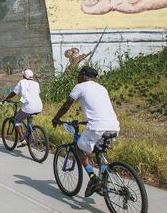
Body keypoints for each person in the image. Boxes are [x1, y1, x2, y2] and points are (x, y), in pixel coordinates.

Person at [51, 66, 120, 197]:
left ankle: (94, 178)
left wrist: (56, 118)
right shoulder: (102, 88)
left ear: (83, 75)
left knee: (78, 148)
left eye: (78, 75)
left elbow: (67, 105)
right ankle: (102, 180)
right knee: (99, 150)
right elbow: (98, 108)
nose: (77, 78)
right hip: (113, 126)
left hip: (97, 127)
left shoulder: (80, 86)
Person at [3, 69, 43, 148]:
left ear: (24, 76)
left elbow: (14, 92)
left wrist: (6, 98)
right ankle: (30, 133)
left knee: (17, 119)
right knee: (27, 115)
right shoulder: (36, 84)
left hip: (29, 106)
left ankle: (22, 139)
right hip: (39, 106)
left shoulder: (22, 82)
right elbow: (35, 94)